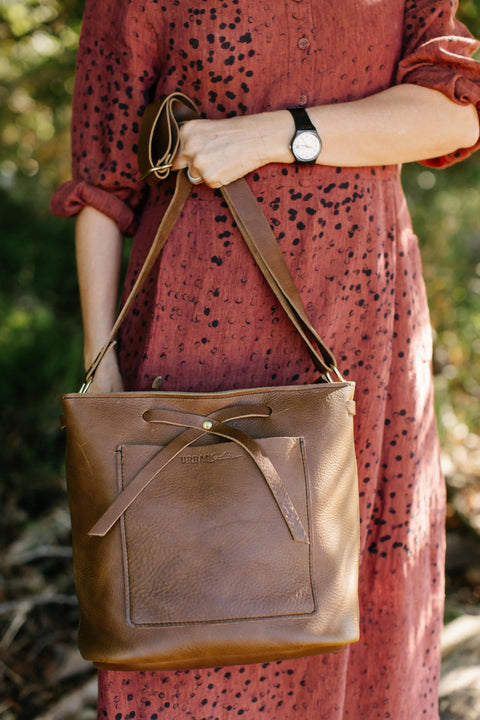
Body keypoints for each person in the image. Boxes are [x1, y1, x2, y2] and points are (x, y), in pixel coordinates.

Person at [51, 1, 480, 718]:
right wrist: (102, 368)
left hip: (365, 333)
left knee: (360, 613)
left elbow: (456, 111)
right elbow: (101, 187)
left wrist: (280, 135)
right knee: (192, 609)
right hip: (203, 332)